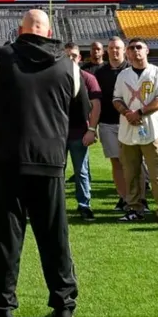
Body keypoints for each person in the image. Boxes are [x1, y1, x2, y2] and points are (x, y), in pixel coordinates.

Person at [0, 10, 89, 317]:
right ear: (50, 31)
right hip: (50, 160)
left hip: (6, 160)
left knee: (4, 238)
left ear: (20, 30)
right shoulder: (69, 65)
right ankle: (64, 306)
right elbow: (81, 115)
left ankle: (3, 310)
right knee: (55, 236)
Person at [113, 39, 158, 225]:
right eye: (131, 48)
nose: (135, 51)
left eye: (139, 47)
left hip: (152, 130)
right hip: (128, 130)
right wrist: (126, 113)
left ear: (147, 50)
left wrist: (138, 113)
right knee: (131, 174)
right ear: (127, 53)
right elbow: (116, 99)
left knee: (157, 174)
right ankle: (134, 209)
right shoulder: (123, 75)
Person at [63, 42, 102, 221]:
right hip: (58, 134)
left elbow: (96, 106)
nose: (70, 59)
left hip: (80, 132)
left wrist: (92, 130)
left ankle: (84, 205)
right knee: (56, 172)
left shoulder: (87, 78)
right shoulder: (56, 78)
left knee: (81, 171)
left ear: (79, 58)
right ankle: (55, 205)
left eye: (73, 56)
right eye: (67, 55)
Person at [89, 38, 126, 209]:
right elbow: (95, 101)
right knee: (116, 162)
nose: (114, 51)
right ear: (107, 51)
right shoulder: (100, 72)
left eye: (118, 48)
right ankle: (123, 197)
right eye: (111, 48)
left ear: (124, 50)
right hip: (107, 123)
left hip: (129, 122)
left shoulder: (131, 69)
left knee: (134, 163)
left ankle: (138, 197)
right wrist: (92, 126)